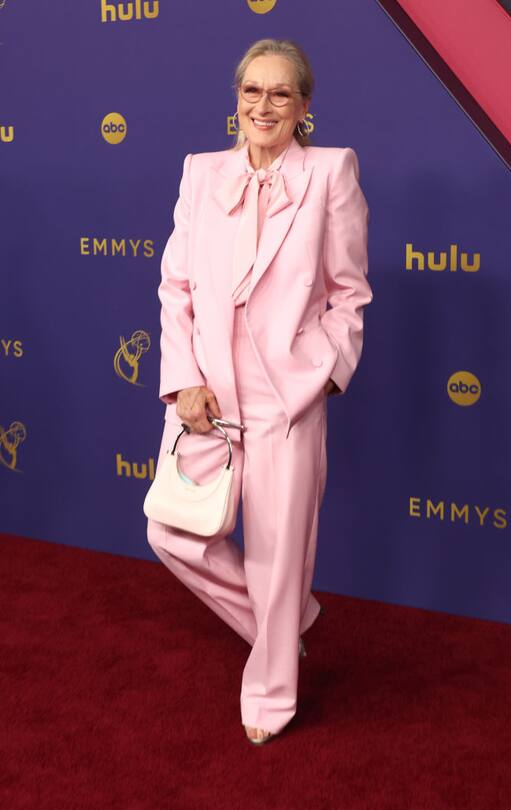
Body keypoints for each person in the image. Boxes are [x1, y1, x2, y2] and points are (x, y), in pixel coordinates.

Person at [147, 38, 373, 745]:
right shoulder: (200, 172)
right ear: (236, 98)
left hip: (286, 400)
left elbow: (349, 292)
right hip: (206, 400)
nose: (264, 105)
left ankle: (272, 697)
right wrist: (183, 379)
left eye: (280, 93)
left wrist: (322, 372)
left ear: (304, 106)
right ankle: (281, 627)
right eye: (252, 91)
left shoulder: (330, 171)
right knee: (171, 534)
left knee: (278, 558)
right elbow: (176, 288)